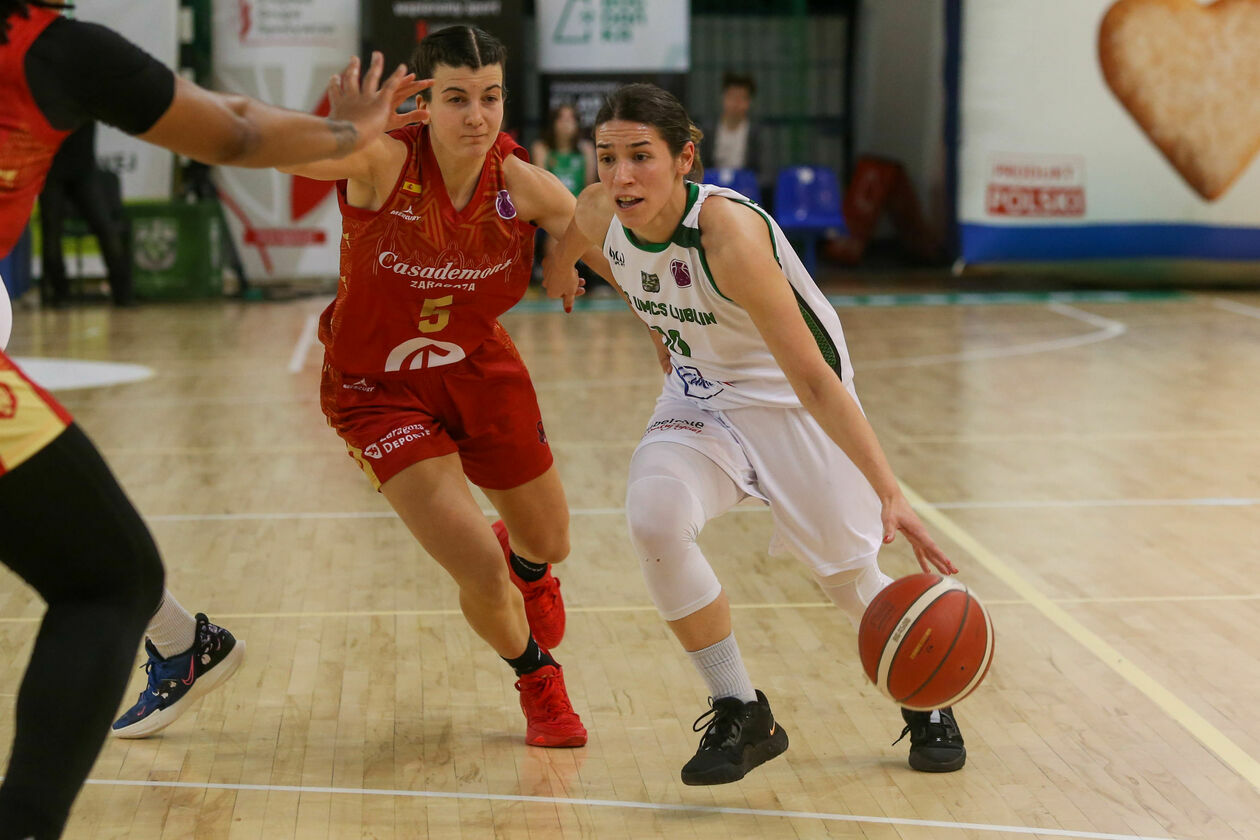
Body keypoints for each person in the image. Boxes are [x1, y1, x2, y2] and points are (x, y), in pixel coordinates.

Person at [0, 2, 420, 836]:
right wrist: (348, 132)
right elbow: (233, 131)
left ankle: (182, 642)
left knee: (102, 567)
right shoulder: (48, 49)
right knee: (108, 580)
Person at [542, 83, 968, 786]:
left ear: (685, 158)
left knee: (847, 578)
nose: (621, 175)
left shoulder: (728, 237)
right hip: (700, 393)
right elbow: (585, 244)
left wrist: (891, 491)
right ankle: (742, 710)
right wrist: (569, 275)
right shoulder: (600, 208)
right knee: (655, 517)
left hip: (790, 400)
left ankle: (926, 695)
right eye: (608, 156)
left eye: (641, 156)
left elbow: (815, 380)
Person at [276, 25, 605, 750]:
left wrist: (599, 280)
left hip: (476, 366)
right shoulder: (382, 160)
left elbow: (589, 220)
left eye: (491, 97)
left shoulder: (517, 181)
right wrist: (339, 127)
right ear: (425, 102)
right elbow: (282, 152)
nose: (477, 117)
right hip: (376, 390)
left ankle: (530, 566)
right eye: (457, 98)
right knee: (479, 569)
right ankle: (538, 681)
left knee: (551, 538)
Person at [37, 122, 133, 307]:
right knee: (51, 236)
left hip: (83, 171)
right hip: (51, 171)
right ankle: (59, 294)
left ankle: (123, 294)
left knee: (106, 228)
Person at [706, 72, 764, 180]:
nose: (736, 103)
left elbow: (764, 171)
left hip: (745, 185)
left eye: (742, 98)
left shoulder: (756, 133)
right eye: (732, 97)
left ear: (749, 102)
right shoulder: (709, 130)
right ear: (723, 98)